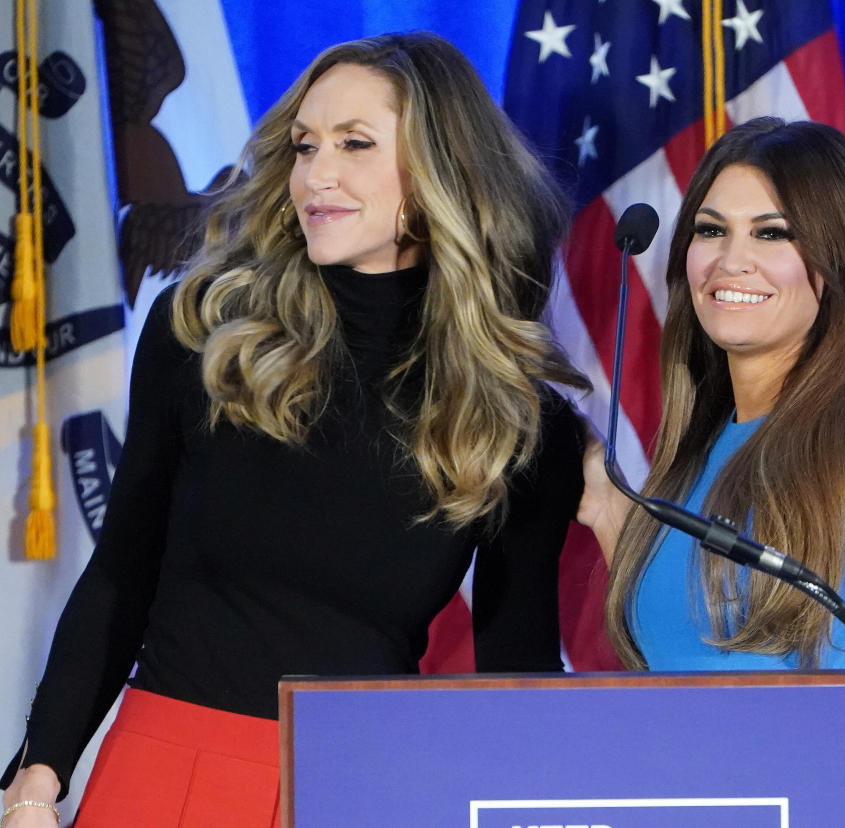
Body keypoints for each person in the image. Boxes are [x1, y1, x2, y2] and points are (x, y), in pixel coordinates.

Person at [1, 32, 588, 827]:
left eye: (355, 145)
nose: (317, 175)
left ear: (442, 171)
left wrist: (541, 804)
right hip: (166, 770)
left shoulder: (516, 417)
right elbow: (122, 568)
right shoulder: (206, 338)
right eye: (305, 147)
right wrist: (38, 777)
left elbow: (513, 662)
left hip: (368, 787)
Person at [578, 117, 845, 747]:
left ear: (837, 260)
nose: (733, 262)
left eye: (772, 234)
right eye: (711, 231)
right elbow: (689, 660)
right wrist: (607, 510)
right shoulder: (690, 455)